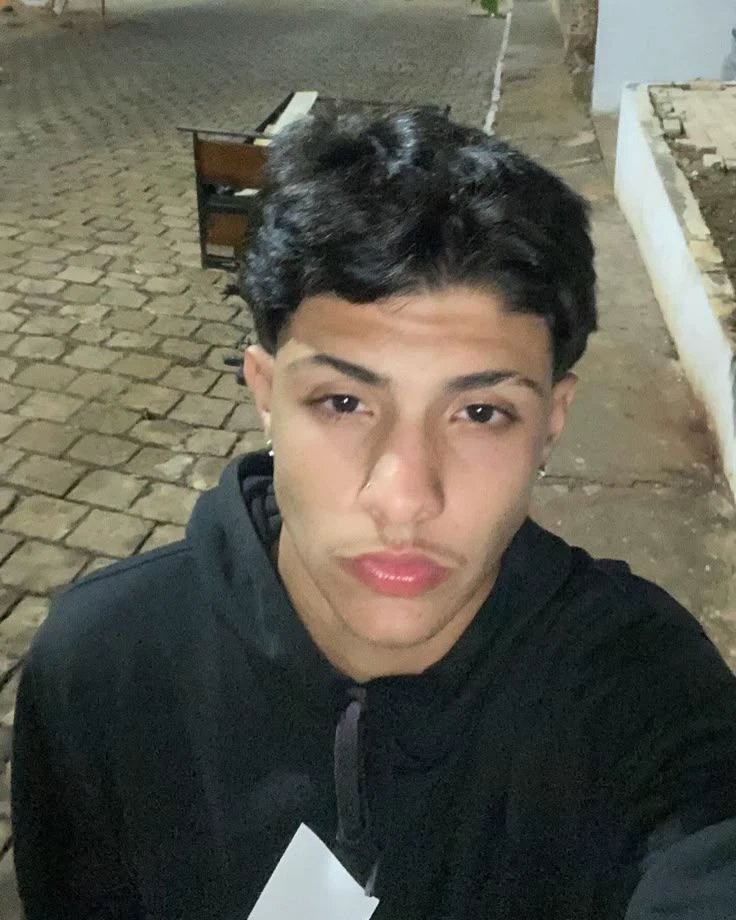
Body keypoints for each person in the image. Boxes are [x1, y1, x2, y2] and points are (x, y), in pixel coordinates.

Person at [11, 109, 736, 920]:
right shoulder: (101, 667)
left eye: (481, 413)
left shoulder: (644, 691)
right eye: (344, 402)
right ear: (265, 394)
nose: (404, 496)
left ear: (551, 421)